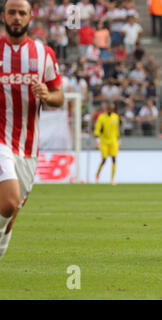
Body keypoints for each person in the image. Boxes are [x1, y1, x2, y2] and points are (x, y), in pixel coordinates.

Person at [0, 0, 64, 260]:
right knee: (9, 201)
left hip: (27, 150)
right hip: (1, 142)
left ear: (30, 17)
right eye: (11, 12)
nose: (16, 17)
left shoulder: (44, 53)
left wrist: (48, 95)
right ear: (3, 16)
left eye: (21, 13)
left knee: (10, 218)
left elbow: (59, 96)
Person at [95, 102, 120, 185]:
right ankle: (98, 174)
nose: (110, 110)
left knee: (114, 159)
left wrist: (118, 138)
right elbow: (98, 128)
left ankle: (112, 179)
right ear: (107, 109)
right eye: (109, 109)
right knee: (104, 160)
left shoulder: (115, 117)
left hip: (113, 141)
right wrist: (97, 139)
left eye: (112, 109)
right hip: (104, 141)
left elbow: (116, 129)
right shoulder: (102, 117)